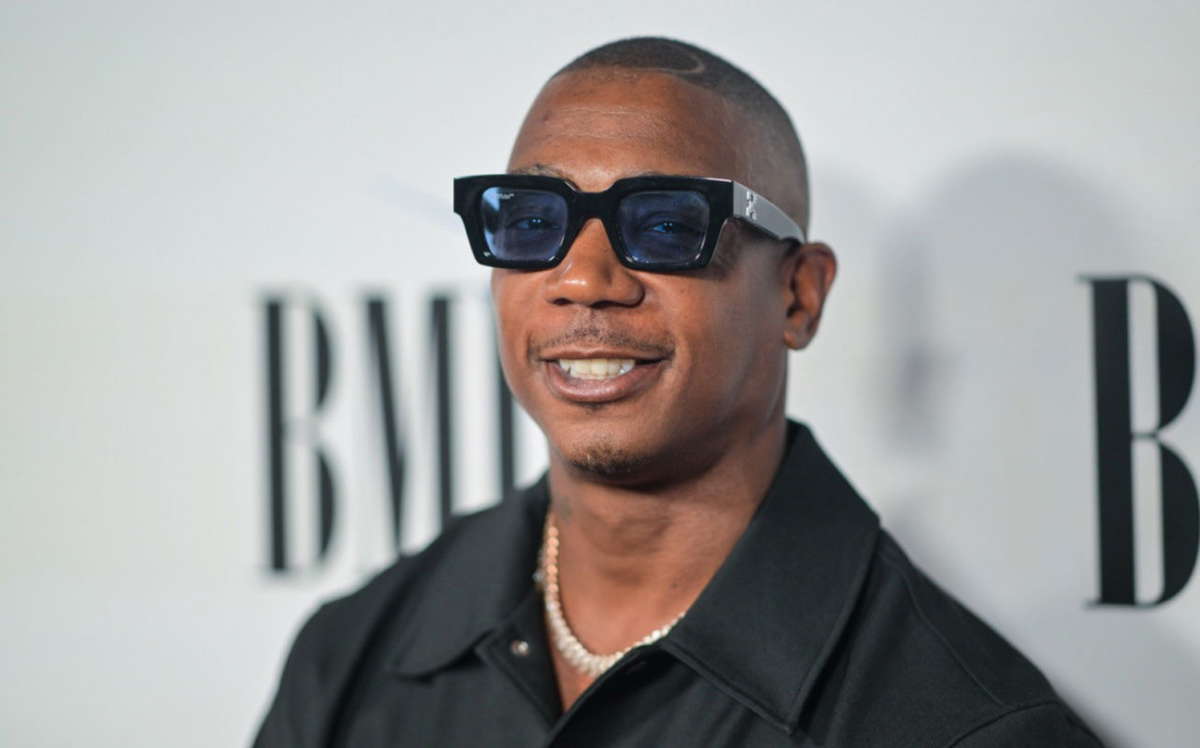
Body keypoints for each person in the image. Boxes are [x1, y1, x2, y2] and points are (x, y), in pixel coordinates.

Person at [254, 37, 1101, 746]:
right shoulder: (351, 657)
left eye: (664, 225)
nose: (582, 280)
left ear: (797, 296)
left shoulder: (964, 725)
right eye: (533, 222)